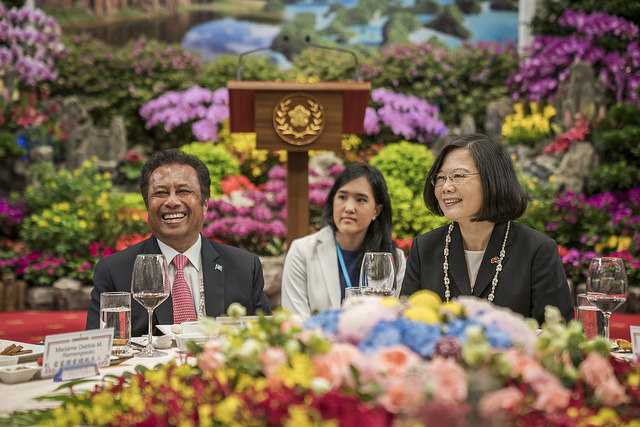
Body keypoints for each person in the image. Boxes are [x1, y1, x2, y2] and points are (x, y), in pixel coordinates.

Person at [86, 149, 270, 336]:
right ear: (147, 205)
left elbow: (264, 339)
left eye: (183, 191)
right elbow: (98, 346)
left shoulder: (244, 267)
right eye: (160, 193)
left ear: (205, 203)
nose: (172, 201)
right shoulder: (115, 272)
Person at [401, 134, 573, 324]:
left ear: (492, 179)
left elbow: (559, 332)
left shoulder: (537, 250)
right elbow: (404, 323)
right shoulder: (424, 248)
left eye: (458, 176)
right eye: (440, 178)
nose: (446, 187)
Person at [282, 162, 406, 319]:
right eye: (342, 197)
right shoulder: (302, 251)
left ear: (377, 210)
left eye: (360, 200)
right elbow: (295, 319)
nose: (349, 208)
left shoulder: (393, 258)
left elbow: (394, 317)